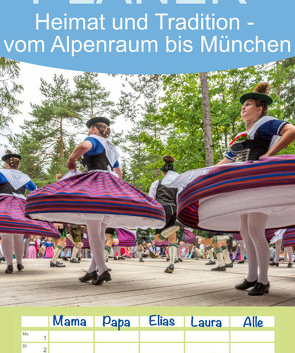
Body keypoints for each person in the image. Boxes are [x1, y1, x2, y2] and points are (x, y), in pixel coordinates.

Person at [174, 83, 295, 296]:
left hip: (259, 181)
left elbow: (291, 131)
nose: (243, 108)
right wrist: (203, 176)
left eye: (248, 104)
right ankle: (251, 277)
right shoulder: (241, 135)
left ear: (259, 109)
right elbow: (226, 161)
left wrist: (270, 154)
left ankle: (263, 280)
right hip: (243, 183)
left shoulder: (266, 123)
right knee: (245, 232)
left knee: (256, 231)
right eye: (243, 105)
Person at [25, 116, 165, 285]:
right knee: (100, 232)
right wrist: (115, 190)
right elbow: (118, 172)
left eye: (89, 130)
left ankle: (103, 269)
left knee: (93, 231)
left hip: (96, 186)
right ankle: (92, 271)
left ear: (93, 129)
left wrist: (71, 159)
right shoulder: (110, 147)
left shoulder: (94, 139)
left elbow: (84, 146)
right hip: (109, 187)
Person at [0, 151, 59, 274]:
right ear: (18, 165)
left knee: (6, 235)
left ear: (6, 164)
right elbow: (35, 190)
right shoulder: (24, 177)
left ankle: (9, 264)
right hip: (21, 206)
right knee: (19, 236)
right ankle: (20, 263)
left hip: (5, 206)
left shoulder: (2, 174)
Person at [149, 156, 180, 274]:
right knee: (173, 237)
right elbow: (179, 198)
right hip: (174, 208)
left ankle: (176, 227)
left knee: (158, 238)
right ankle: (171, 263)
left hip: (162, 209)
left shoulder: (157, 183)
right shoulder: (177, 184)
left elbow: (151, 199)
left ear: (163, 172)